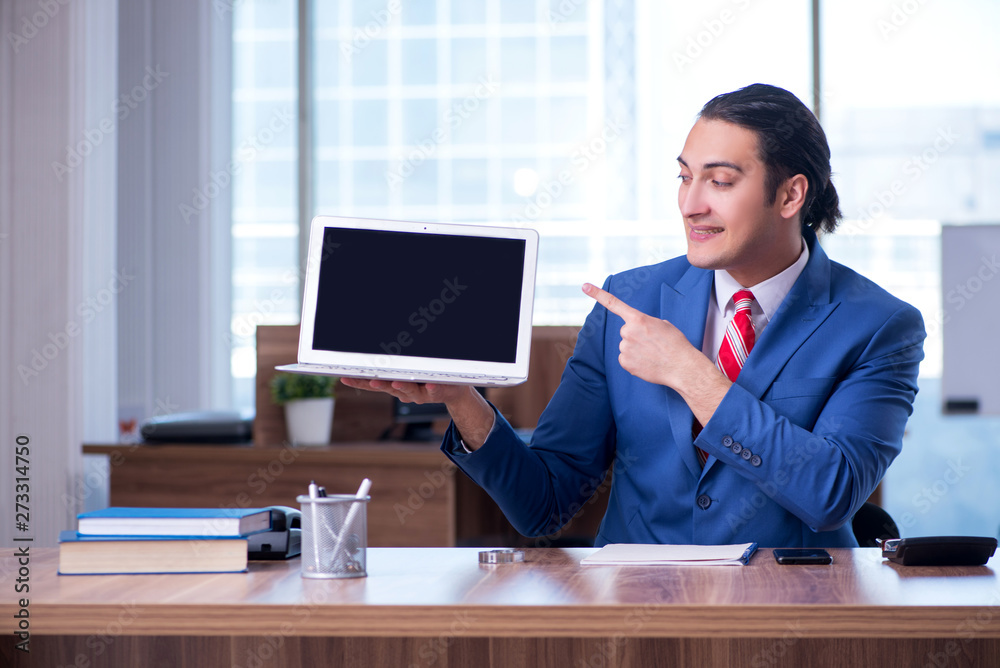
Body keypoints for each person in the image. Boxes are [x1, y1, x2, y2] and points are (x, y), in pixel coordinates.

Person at [343, 83, 925, 547]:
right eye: (684, 176)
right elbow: (544, 505)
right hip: (636, 617)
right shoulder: (631, 301)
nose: (691, 203)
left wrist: (688, 373)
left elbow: (830, 494)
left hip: (794, 617)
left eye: (720, 181)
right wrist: (462, 398)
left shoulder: (878, 326)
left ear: (791, 196)